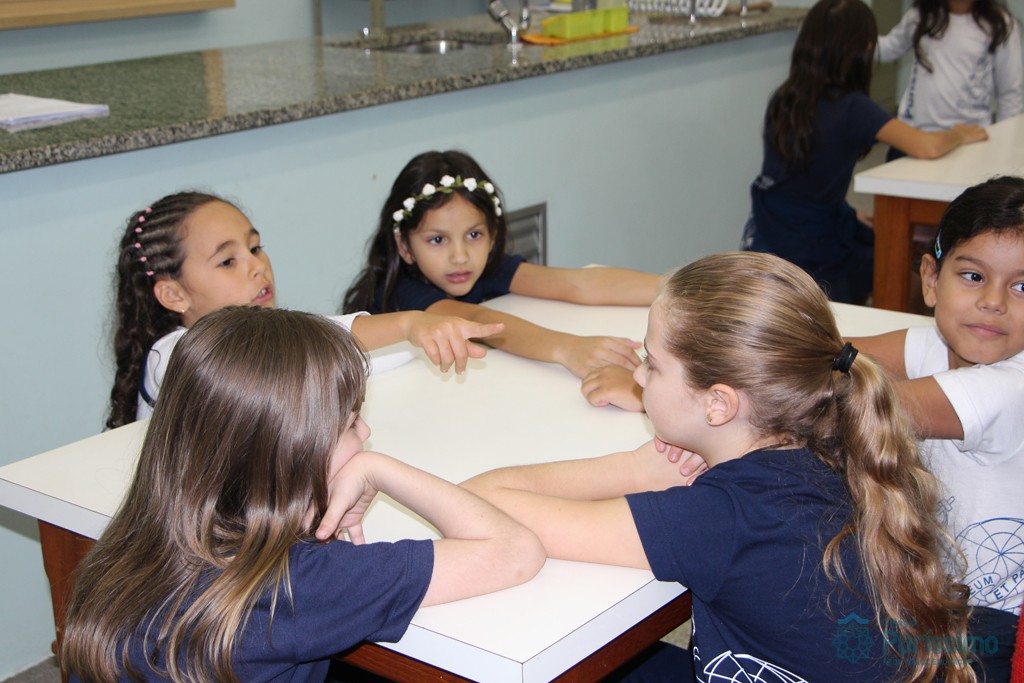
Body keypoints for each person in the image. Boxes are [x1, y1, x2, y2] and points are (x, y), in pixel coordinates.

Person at [461, 251, 976, 682]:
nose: (638, 376)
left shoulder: (721, 518)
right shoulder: (840, 442)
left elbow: (479, 502)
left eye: (652, 364)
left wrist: (636, 469)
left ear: (718, 404)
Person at [62, 306, 544, 683]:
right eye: (351, 423)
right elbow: (514, 550)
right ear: (291, 454)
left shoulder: (138, 539)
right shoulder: (298, 584)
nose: (366, 431)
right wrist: (380, 468)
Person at [108, 191, 504, 429]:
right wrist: (408, 323)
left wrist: (415, 335)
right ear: (173, 294)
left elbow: (360, 355)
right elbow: (301, 346)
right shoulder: (172, 357)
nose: (257, 266)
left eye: (255, 247)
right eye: (228, 261)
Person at [847, 175, 1024, 681]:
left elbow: (854, 407)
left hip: (990, 625)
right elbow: (824, 355)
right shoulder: (932, 344)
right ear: (931, 279)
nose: (994, 301)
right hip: (924, 594)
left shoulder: (1010, 388)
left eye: (1022, 286)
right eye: (973, 276)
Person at [741, 0, 988, 306]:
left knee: (872, 238)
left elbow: (801, 180)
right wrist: (959, 133)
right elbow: (927, 146)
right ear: (867, 49)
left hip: (771, 226)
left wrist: (847, 212)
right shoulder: (853, 108)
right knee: (896, 262)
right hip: (813, 240)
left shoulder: (784, 97)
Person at [343, 150, 661, 379]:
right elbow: (477, 318)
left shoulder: (483, 267)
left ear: (493, 234)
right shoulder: (400, 290)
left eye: (474, 235)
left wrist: (673, 289)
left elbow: (576, 283)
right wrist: (567, 349)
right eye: (437, 240)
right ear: (404, 246)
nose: (460, 256)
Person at [876, 0, 1022, 161]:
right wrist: (857, 34)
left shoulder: (1001, 24)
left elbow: (1010, 94)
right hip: (914, 136)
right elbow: (887, 48)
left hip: (968, 141)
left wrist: (1003, 149)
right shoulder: (921, 15)